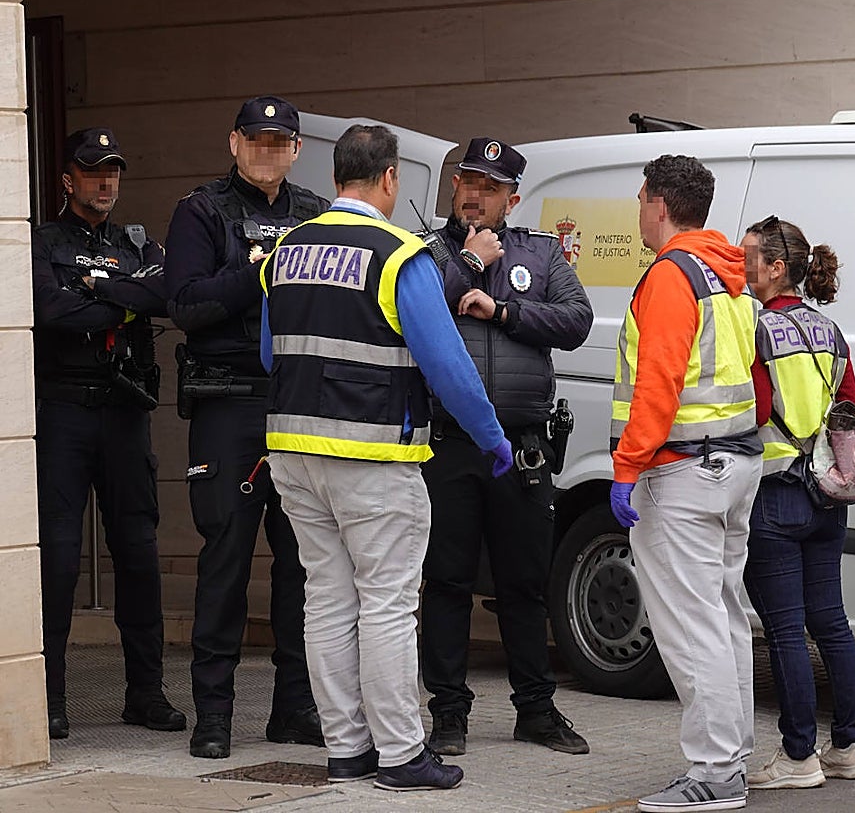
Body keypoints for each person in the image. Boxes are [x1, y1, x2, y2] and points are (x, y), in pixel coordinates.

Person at [261, 124, 510, 792]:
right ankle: (401, 753)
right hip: (371, 454)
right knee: (388, 604)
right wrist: (491, 437)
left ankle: (347, 748)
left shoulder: (284, 250)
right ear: (390, 178)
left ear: (336, 175)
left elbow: (267, 352)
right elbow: (449, 368)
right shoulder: (400, 255)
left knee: (327, 597)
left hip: (293, 451)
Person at [165, 96, 328, 759]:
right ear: (234, 143)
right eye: (256, 140)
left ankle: (295, 708)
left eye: (279, 141)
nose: (268, 151)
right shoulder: (201, 211)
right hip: (228, 401)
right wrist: (259, 271)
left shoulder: (316, 214)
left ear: (296, 149)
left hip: (298, 402)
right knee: (226, 559)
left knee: (303, 563)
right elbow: (184, 304)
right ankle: (213, 715)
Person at [421, 137, 593, 757]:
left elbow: (576, 321)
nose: (475, 195)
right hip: (450, 443)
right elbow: (409, 313)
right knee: (445, 581)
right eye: (468, 182)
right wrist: (469, 263)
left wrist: (503, 311)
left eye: (490, 187)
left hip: (522, 446)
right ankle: (448, 713)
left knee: (524, 583)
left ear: (512, 199)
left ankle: (536, 711)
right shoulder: (428, 252)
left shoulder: (541, 253)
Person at [609, 155, 763, 813]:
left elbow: (659, 382)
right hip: (734, 464)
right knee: (723, 618)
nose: (638, 212)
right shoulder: (728, 274)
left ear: (661, 205)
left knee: (691, 626)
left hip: (681, 471)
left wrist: (626, 467)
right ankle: (733, 758)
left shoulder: (672, 275)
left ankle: (716, 772)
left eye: (641, 200)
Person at [32, 127, 185, 740]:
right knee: (58, 560)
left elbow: (168, 294)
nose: (105, 181)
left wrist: (98, 292)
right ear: (68, 179)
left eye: (113, 170)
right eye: (93, 170)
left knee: (139, 556)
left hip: (125, 413)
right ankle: (48, 698)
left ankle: (145, 694)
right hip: (64, 413)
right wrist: (126, 300)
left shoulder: (136, 242)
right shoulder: (43, 242)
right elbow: (50, 310)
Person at [739, 216, 855, 789]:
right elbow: (850, 406)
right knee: (832, 623)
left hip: (776, 493)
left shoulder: (757, 329)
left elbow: (754, 409)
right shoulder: (829, 330)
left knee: (786, 631)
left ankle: (798, 757)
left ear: (776, 268)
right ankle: (851, 746)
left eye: (748, 256)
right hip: (828, 493)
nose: (740, 264)